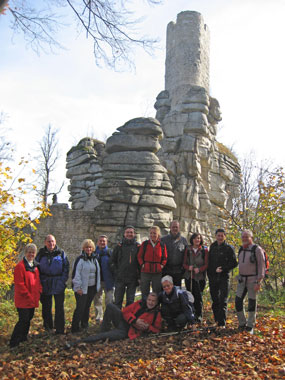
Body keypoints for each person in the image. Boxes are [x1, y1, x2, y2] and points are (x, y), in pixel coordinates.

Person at [65, 293, 161, 348]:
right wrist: (135, 320)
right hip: (123, 321)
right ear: (146, 299)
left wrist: (148, 327)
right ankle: (104, 329)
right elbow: (125, 311)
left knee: (102, 337)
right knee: (110, 306)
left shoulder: (156, 314)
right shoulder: (140, 303)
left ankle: (76, 343)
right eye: (149, 300)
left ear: (156, 303)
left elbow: (157, 329)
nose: (151, 303)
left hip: (127, 331)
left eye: (153, 301)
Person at [10, 244, 42, 348]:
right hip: (23, 299)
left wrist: (39, 291)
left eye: (33, 252)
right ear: (25, 253)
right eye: (29, 252)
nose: (31, 254)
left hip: (32, 299)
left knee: (29, 318)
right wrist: (28, 296)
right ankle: (14, 342)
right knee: (23, 320)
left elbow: (37, 282)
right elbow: (19, 284)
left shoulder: (35, 267)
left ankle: (23, 338)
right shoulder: (20, 266)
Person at [36, 234, 69, 334]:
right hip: (45, 282)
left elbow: (66, 267)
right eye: (49, 241)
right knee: (46, 307)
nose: (51, 243)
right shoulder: (41, 254)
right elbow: (36, 268)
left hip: (58, 282)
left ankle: (59, 329)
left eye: (53, 241)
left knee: (59, 307)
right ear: (45, 243)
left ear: (55, 242)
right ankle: (48, 328)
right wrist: (40, 281)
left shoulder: (61, 253)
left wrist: (62, 280)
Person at [235, 230, 266, 334]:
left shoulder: (257, 249)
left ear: (251, 237)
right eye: (243, 237)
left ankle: (250, 326)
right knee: (238, 301)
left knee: (252, 303)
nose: (244, 238)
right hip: (242, 280)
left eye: (246, 237)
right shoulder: (241, 249)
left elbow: (262, 266)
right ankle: (242, 323)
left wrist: (259, 281)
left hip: (253, 280)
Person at [207, 228, 237, 327]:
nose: (220, 237)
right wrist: (210, 274)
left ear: (225, 236)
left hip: (224, 277)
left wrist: (223, 269)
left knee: (223, 300)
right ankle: (216, 320)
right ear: (215, 236)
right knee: (215, 300)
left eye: (222, 235)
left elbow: (234, 263)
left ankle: (222, 323)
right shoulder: (213, 246)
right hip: (213, 277)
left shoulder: (229, 248)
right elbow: (209, 262)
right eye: (218, 235)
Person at [71, 239, 101, 333]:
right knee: (80, 308)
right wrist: (78, 288)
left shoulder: (94, 259)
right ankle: (75, 328)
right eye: (86, 247)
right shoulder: (80, 260)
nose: (88, 249)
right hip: (82, 288)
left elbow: (97, 273)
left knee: (87, 307)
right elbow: (76, 274)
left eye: (90, 247)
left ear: (93, 249)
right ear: (83, 248)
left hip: (92, 288)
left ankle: (84, 325)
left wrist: (97, 286)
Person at [109, 226, 140, 309]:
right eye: (128, 232)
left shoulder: (138, 247)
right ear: (124, 234)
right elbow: (112, 261)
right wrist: (116, 272)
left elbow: (140, 263)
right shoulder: (119, 247)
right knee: (118, 301)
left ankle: (128, 320)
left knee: (130, 301)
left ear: (134, 234)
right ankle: (117, 320)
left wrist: (139, 276)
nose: (129, 234)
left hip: (132, 278)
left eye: (131, 232)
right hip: (120, 278)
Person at [183, 233, 209, 322]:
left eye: (198, 238)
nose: (197, 240)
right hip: (189, 276)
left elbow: (206, 264)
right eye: (195, 238)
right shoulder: (188, 249)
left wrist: (200, 269)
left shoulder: (204, 250)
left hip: (200, 277)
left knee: (198, 297)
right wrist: (188, 267)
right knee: (190, 297)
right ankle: (190, 315)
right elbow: (184, 263)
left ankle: (199, 316)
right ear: (192, 240)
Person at [137, 226, 167, 300]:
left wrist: (162, 265)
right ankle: (144, 309)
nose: (153, 235)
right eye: (151, 233)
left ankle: (155, 309)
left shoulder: (162, 245)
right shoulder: (145, 244)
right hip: (145, 271)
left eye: (155, 233)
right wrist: (142, 265)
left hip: (157, 272)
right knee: (144, 292)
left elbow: (165, 257)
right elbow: (139, 256)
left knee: (156, 292)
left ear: (158, 234)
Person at [93, 235, 114, 323]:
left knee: (109, 300)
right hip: (97, 280)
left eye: (104, 241)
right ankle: (98, 318)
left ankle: (108, 318)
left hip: (109, 280)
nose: (102, 242)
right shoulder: (93, 252)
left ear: (106, 242)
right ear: (97, 242)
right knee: (97, 300)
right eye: (100, 241)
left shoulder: (110, 252)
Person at [161, 220, 188, 287]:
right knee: (166, 291)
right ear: (170, 228)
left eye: (176, 227)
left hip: (178, 271)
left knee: (177, 291)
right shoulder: (163, 240)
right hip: (166, 270)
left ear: (179, 228)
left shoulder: (183, 240)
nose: (175, 229)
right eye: (173, 227)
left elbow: (186, 256)